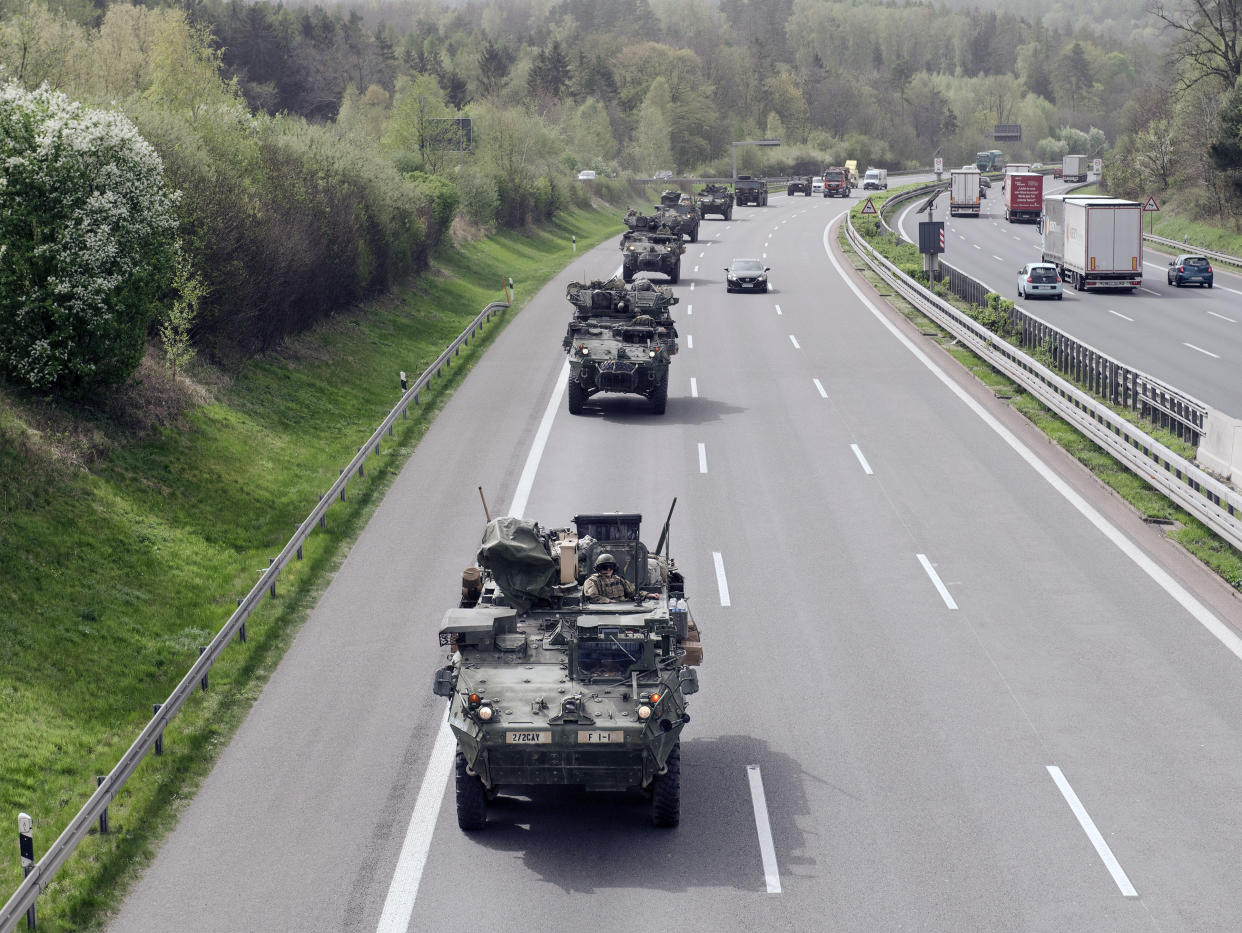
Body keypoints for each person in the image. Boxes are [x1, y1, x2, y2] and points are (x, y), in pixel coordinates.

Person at [583, 553, 658, 603]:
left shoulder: (618, 579)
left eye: (611, 567)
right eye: (605, 567)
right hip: (605, 611)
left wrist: (647, 595)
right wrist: (608, 601)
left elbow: (632, 592)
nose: (609, 569)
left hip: (623, 608)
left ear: (614, 568)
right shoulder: (592, 581)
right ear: (599, 568)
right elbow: (592, 596)